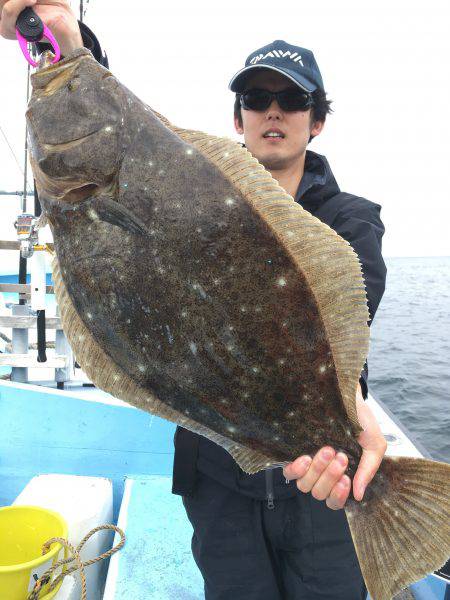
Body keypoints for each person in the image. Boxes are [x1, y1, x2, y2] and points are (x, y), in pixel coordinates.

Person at [0, 4, 388, 599]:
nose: (274, 110)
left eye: (292, 100)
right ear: (239, 119)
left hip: (322, 487)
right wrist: (62, 45)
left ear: (317, 122)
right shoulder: (183, 187)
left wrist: (346, 404)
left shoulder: (349, 218)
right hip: (215, 474)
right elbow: (120, 127)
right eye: (257, 98)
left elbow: (357, 303)